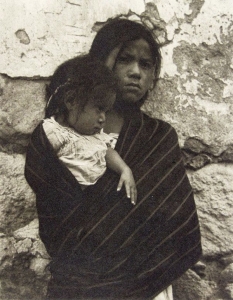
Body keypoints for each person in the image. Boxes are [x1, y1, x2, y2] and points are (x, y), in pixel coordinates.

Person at [25, 18, 202, 300]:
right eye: (125, 60)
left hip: (144, 285)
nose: (136, 72)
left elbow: (170, 222)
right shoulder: (56, 135)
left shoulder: (158, 138)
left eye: (145, 65)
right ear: (98, 64)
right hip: (75, 284)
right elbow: (54, 210)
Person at [42, 55, 137, 204]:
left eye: (106, 111)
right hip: (67, 203)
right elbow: (43, 165)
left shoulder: (95, 136)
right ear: (71, 101)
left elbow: (107, 152)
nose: (103, 118)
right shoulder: (54, 132)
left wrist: (124, 169)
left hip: (95, 203)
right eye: (99, 109)